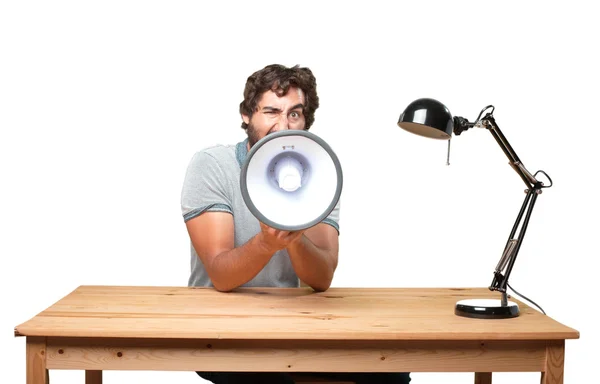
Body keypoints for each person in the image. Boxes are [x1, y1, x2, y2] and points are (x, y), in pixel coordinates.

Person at [180, 64, 410, 384]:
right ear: (247, 115)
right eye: (271, 111)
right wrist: (266, 244)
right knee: (272, 379)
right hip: (220, 329)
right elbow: (220, 274)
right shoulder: (213, 165)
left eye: (294, 114)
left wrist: (295, 237)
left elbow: (321, 277)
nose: (282, 125)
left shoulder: (319, 171)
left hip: (288, 324)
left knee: (389, 375)